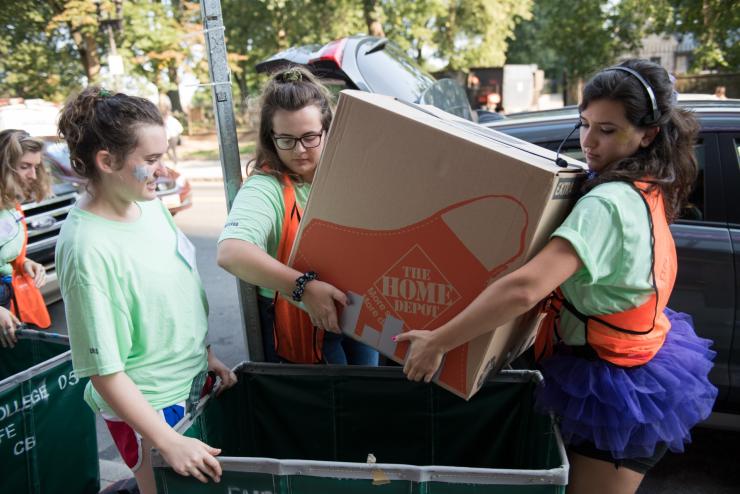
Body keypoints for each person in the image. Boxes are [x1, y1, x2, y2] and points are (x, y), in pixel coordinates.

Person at [396, 59, 717, 494]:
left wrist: (439, 340)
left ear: (648, 134)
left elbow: (525, 288)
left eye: (608, 130)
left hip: (617, 389)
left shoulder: (607, 204)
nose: (588, 141)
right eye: (584, 124)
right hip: (639, 365)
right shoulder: (645, 184)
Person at [56, 86, 237, 494]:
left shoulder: (150, 205)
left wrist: (204, 354)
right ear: (107, 161)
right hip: (152, 411)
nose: (165, 171)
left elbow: (175, 289)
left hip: (191, 384)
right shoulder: (86, 249)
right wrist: (166, 439)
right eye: (152, 160)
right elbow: (104, 372)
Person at [217, 66, 378, 366]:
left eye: (309, 137)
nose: (300, 150)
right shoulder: (266, 187)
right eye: (286, 139)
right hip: (300, 327)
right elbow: (231, 252)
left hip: (360, 313)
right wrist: (303, 288)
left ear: (329, 130)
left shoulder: (351, 176)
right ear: (271, 137)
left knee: (369, 398)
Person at [0, 129, 52, 347]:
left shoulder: (12, 205)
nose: (32, 175)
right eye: (25, 166)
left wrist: (25, 263)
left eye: (36, 167)